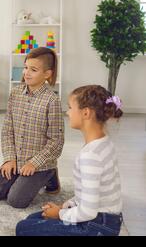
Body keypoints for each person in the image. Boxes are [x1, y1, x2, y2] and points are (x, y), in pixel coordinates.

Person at [16, 85, 123, 236]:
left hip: (97, 226)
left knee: (23, 228)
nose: (67, 113)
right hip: (106, 220)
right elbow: (88, 196)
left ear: (86, 113)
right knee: (33, 218)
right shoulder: (104, 143)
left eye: (70, 108)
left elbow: (88, 211)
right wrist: (65, 206)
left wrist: (60, 214)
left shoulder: (90, 156)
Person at [0, 47, 64, 208]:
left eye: (33, 70)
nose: (26, 73)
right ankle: (22, 174)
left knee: (16, 201)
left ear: (47, 74)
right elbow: (7, 130)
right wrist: (9, 159)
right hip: (17, 158)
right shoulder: (15, 94)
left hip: (39, 163)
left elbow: (56, 141)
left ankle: (50, 174)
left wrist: (34, 164)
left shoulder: (52, 101)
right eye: (25, 67)